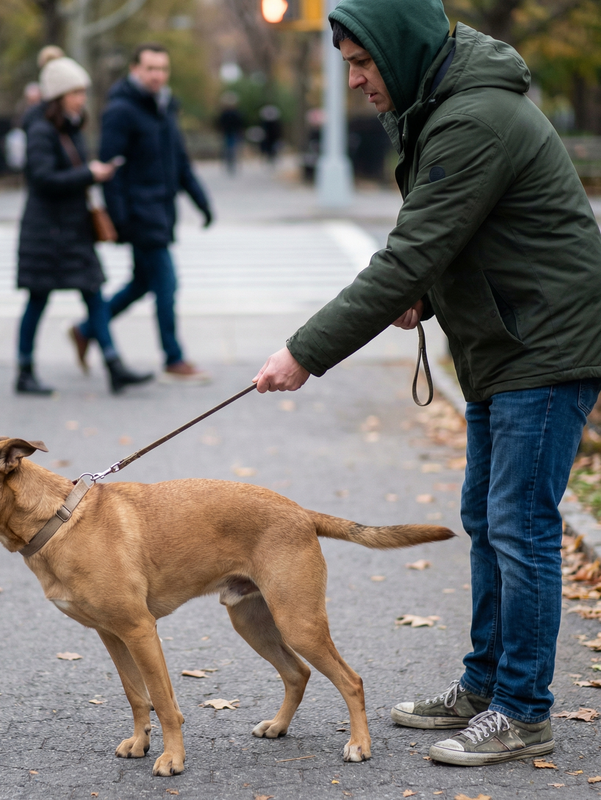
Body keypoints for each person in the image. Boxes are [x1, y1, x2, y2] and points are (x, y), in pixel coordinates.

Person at [254, 0, 601, 767]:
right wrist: (431, 292)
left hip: (542, 346)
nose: (352, 80)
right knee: (488, 520)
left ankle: (523, 711)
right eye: (346, 63)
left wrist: (304, 352)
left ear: (400, 51)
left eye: (360, 62)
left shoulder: (473, 118)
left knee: (522, 528)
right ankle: (485, 688)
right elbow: (458, 238)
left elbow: (410, 253)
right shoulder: (443, 104)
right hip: (504, 341)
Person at [70, 43, 214, 384]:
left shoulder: (163, 107)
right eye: (151, 69)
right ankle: (173, 358)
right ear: (135, 69)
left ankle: (86, 328)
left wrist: (202, 202)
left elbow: (179, 162)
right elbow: (110, 168)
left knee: (140, 284)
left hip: (161, 211)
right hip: (138, 214)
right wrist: (120, 220)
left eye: (163, 69)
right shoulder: (121, 110)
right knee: (166, 283)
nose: (157, 76)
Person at [16, 56, 153, 396]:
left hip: (72, 229)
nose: (81, 99)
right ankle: (24, 370)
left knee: (94, 295)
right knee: (38, 299)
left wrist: (91, 172)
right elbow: (42, 178)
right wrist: (89, 173)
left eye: (83, 92)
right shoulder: (41, 129)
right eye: (75, 92)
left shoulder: (69, 127)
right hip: (46, 231)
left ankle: (114, 365)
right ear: (58, 96)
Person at [216, 91, 244, 175]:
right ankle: (231, 163)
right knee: (231, 149)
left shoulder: (226, 113)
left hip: (230, 133)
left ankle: (230, 163)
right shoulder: (234, 113)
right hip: (230, 133)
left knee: (229, 149)